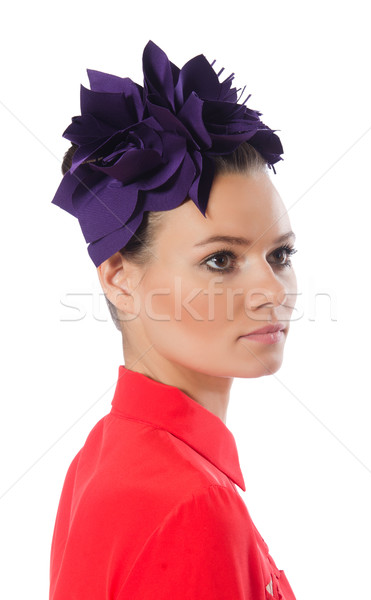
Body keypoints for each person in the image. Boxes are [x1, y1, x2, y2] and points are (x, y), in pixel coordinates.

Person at [49, 40, 298, 599]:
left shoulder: (102, 456)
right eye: (220, 259)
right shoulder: (192, 503)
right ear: (120, 278)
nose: (271, 290)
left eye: (280, 254)